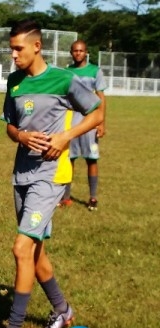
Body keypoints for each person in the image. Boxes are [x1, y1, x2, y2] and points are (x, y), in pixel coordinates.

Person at [0, 20, 104, 328]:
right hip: (21, 174)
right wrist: (21, 136)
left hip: (50, 176)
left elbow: (96, 111)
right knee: (35, 251)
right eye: (11, 48)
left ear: (37, 46)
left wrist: (65, 137)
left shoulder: (65, 79)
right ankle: (63, 310)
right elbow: (9, 124)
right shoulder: (14, 82)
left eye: (18, 48)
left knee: (22, 248)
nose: (13, 54)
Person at [58, 39, 107, 211]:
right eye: (75, 51)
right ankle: (65, 197)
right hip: (71, 122)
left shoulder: (95, 71)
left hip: (90, 122)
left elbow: (101, 97)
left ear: (86, 52)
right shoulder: (66, 72)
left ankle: (93, 197)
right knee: (68, 159)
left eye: (81, 51)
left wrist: (101, 122)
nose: (78, 53)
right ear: (71, 53)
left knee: (91, 159)